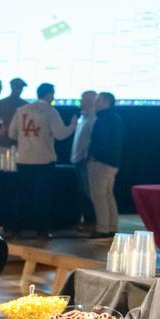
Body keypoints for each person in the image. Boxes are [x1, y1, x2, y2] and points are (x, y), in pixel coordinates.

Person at [8, 82, 76, 237]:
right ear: (49, 94)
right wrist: (72, 125)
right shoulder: (50, 111)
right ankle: (42, 230)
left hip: (24, 159)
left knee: (22, 195)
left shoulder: (21, 110)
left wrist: (25, 141)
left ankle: (16, 228)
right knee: (43, 196)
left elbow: (12, 133)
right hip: (44, 159)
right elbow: (60, 134)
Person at [88, 91, 124, 238]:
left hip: (101, 162)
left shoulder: (103, 119)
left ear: (106, 102)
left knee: (99, 196)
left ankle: (102, 228)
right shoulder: (116, 118)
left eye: (98, 101)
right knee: (108, 195)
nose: (95, 103)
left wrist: (93, 156)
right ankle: (112, 226)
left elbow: (100, 141)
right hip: (113, 162)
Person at [70, 90, 98, 230]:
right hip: (78, 159)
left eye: (84, 99)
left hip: (84, 160)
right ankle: (87, 219)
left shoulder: (93, 117)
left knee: (88, 191)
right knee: (83, 191)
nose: (80, 101)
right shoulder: (83, 116)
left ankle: (92, 221)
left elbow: (93, 139)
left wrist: (87, 156)